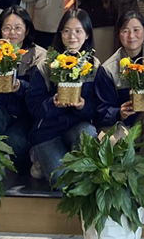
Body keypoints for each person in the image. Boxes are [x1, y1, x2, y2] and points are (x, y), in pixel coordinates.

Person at [26, 9, 99, 183]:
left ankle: (58, 162)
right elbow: (32, 105)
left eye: (78, 31)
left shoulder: (94, 66)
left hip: (77, 128)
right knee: (61, 181)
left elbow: (98, 107)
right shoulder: (45, 64)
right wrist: (52, 103)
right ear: (60, 34)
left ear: (87, 35)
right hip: (47, 132)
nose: (72, 36)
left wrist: (83, 106)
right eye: (66, 31)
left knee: (88, 133)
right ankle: (40, 157)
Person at [94, 11, 144, 162]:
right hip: (121, 125)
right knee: (113, 143)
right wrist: (119, 113)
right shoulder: (108, 68)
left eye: (136, 30)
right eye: (125, 31)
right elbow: (101, 109)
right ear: (118, 34)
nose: (131, 36)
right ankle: (123, 166)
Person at [0, 7, 47, 172]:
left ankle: (22, 169)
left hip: (26, 114)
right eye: (7, 28)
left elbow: (40, 95)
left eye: (18, 28)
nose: (12, 33)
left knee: (16, 141)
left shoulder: (39, 55)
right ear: (0, 30)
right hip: (2, 109)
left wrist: (19, 87)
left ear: (27, 29)